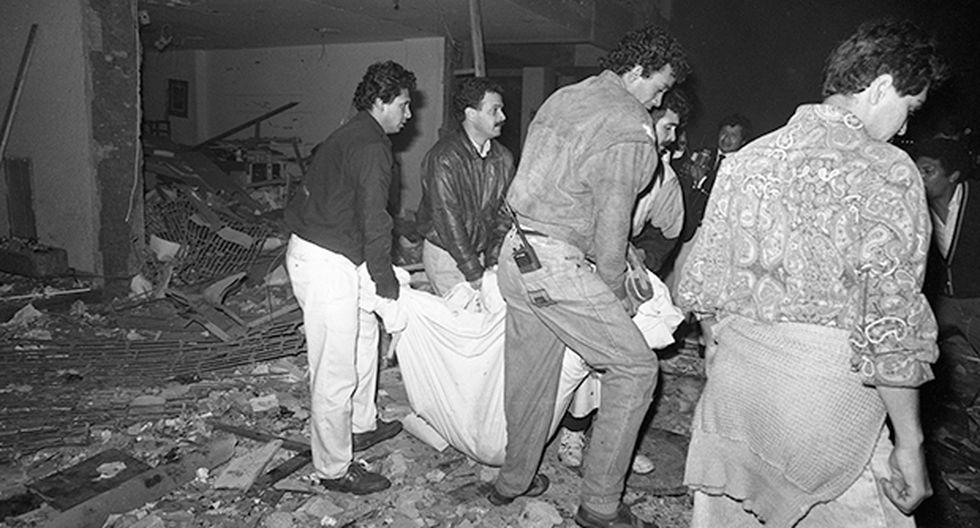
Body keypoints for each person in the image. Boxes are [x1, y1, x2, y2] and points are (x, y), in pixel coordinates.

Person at [677, 19, 946, 527]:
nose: (906, 127)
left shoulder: (747, 160)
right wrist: (911, 443)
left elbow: (700, 286)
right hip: (824, 416)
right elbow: (890, 328)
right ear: (882, 85)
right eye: (908, 109)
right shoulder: (886, 170)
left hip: (734, 400)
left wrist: (722, 349)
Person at [488, 25, 690, 528]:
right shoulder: (628, 122)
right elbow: (613, 215)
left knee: (531, 379)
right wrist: (617, 287)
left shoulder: (565, 97)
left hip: (514, 253)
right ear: (638, 71)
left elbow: (563, 185)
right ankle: (601, 504)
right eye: (659, 87)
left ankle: (513, 481)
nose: (659, 99)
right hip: (557, 265)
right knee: (636, 370)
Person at [283, 60, 416, 495]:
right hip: (324, 262)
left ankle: (361, 424)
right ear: (380, 102)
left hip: (337, 250)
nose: (408, 115)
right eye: (403, 105)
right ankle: (334, 469)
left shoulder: (355, 132)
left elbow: (356, 214)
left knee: (364, 337)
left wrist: (375, 276)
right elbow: (375, 220)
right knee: (334, 370)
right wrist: (387, 285)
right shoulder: (369, 146)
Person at [556, 88, 693, 476]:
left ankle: (615, 443)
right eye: (667, 127)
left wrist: (637, 258)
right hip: (579, 266)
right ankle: (573, 431)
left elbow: (669, 230)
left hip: (621, 270)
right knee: (581, 356)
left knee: (626, 360)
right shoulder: (604, 154)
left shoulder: (663, 178)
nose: (671, 138)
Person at [416, 77, 515, 295]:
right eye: (494, 110)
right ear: (471, 114)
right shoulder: (445, 158)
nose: (502, 117)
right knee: (461, 323)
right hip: (447, 254)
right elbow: (447, 219)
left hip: (479, 252)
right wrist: (473, 272)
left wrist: (493, 261)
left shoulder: (503, 158)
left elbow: (504, 215)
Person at [916, 137, 980, 407]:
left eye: (928, 171)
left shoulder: (976, 199)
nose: (919, 178)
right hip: (942, 305)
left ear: (953, 175)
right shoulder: (913, 207)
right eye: (917, 170)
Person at [679, 113, 752, 242]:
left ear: (743, 141)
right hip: (685, 225)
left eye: (733, 136)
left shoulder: (743, 167)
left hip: (714, 233)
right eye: (724, 133)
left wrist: (701, 181)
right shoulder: (702, 154)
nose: (726, 139)